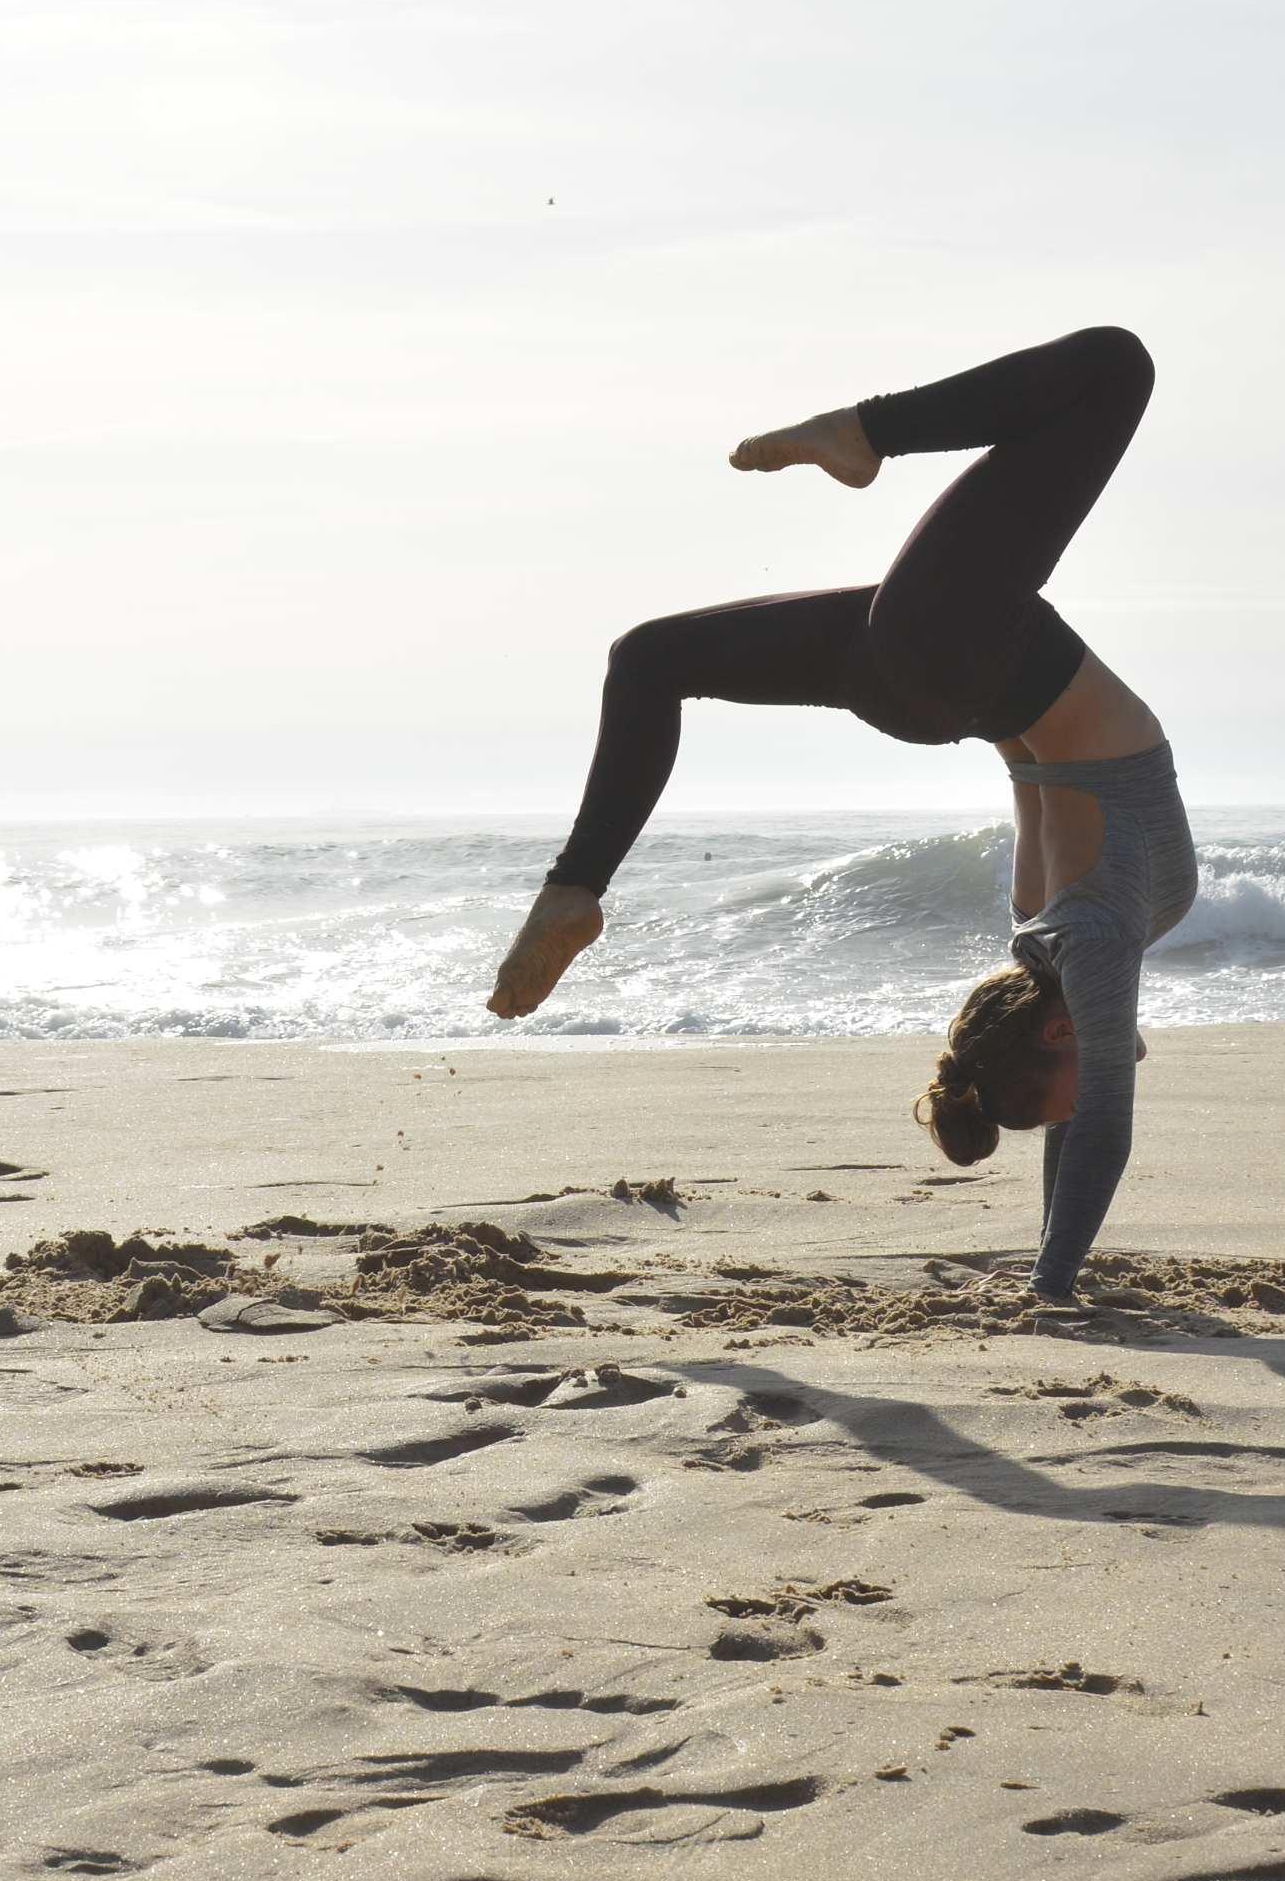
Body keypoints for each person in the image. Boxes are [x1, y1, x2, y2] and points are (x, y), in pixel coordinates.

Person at [484, 326, 1195, 1304]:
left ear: (1057, 1035)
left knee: (1117, 368)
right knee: (647, 659)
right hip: (928, 683)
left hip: (948, 654)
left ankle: (578, 885)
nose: (1102, 1084)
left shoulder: (1088, 949)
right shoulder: (1064, 946)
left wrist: (1051, 1283)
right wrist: (1051, 1280)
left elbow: (1091, 1117)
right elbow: (1090, 1112)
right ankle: (570, 891)